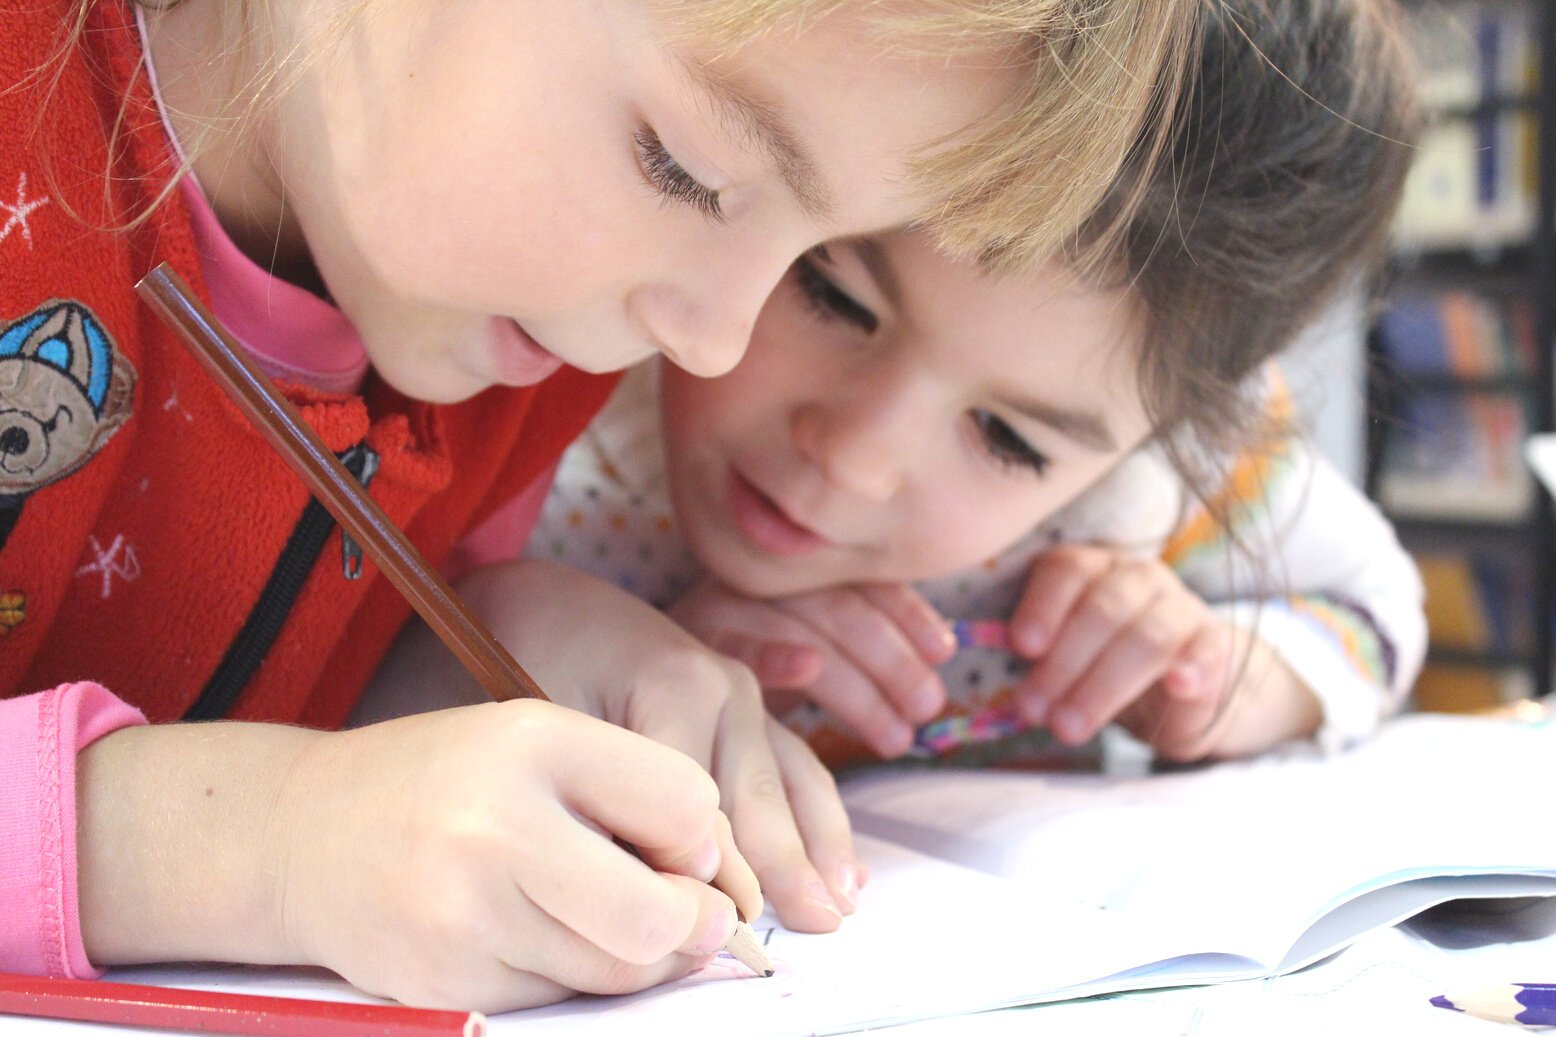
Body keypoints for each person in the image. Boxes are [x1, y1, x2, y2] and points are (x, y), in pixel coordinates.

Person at [0, 0, 1201, 1013]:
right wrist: (263, 844)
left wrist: (482, 647)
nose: (717, 337)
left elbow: (247, 678)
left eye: (813, 251)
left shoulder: (516, 346)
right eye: (690, 169)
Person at [519, 0, 1427, 779]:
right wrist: (596, 662)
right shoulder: (548, 370)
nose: (855, 457)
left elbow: (1377, 607)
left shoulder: (1163, 490)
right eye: (832, 296)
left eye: (1008, 439)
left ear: (1164, 436)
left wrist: (1233, 678)